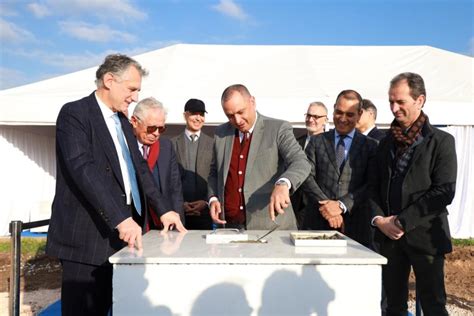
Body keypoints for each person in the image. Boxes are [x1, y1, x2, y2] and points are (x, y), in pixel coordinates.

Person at [46, 54, 186, 316]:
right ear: (109, 80)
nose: (134, 97)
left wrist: (165, 209)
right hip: (87, 238)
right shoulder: (74, 114)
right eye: (132, 89)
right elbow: (83, 169)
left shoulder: (122, 121)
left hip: (123, 236)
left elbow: (140, 170)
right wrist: (121, 218)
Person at [369, 72, 457, 315]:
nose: (394, 108)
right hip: (389, 239)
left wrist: (401, 221)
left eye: (400, 102)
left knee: (433, 306)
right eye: (390, 102)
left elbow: (443, 192)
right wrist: (380, 221)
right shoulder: (385, 143)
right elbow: (373, 187)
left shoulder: (441, 142)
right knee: (392, 307)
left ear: (420, 100)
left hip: (426, 239)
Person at [208, 84, 310, 230]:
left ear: (252, 101)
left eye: (240, 112)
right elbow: (214, 173)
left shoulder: (278, 128)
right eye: (230, 116)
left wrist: (284, 183)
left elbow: (300, 162)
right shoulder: (220, 133)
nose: (237, 120)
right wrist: (213, 198)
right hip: (230, 228)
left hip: (270, 228)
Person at [302, 90, 377, 247]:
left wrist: (341, 206)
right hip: (317, 225)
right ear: (334, 109)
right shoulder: (316, 142)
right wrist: (327, 207)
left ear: (359, 113)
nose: (343, 119)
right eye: (339, 112)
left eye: (349, 115)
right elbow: (307, 177)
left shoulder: (371, 146)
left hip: (355, 227)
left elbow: (372, 184)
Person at [131, 97, 184, 230]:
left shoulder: (165, 146)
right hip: (133, 223)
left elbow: (175, 188)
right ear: (134, 122)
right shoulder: (124, 146)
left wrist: (178, 221)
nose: (156, 134)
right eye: (151, 128)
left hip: (162, 223)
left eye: (161, 129)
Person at [171, 98, 214, 229]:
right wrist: (181, 204)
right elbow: (169, 178)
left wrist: (206, 202)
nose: (198, 118)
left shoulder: (213, 143)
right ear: (185, 115)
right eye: (194, 114)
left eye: (201, 114)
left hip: (205, 213)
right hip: (179, 213)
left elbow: (215, 176)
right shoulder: (171, 143)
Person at [292, 101, 328, 228]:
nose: (311, 119)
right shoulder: (295, 142)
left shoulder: (331, 144)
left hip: (320, 207)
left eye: (316, 117)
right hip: (295, 205)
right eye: (308, 115)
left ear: (325, 120)